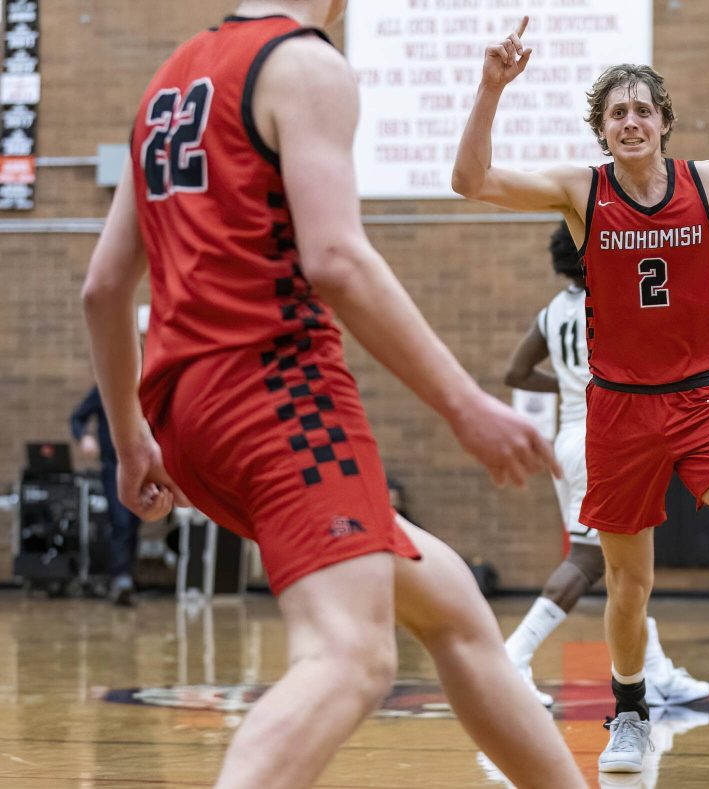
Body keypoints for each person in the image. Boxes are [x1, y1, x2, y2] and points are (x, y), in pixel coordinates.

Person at [81, 2, 586, 787]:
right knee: (351, 655)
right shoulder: (303, 64)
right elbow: (337, 261)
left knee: (449, 602)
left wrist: (129, 439)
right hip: (278, 397)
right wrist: (466, 404)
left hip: (186, 420)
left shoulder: (169, 84)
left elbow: (103, 288)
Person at [452, 16, 709, 774]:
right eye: (616, 113)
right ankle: (627, 712)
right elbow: (472, 182)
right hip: (620, 409)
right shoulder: (583, 190)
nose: (630, 121)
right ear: (603, 130)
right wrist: (490, 88)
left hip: (701, 399)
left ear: (664, 121)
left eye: (642, 109)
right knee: (630, 584)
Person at [503, 223, 709, 710]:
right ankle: (513, 654)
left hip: (568, 439)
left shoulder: (552, 312)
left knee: (629, 563)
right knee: (592, 560)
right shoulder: (617, 300)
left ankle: (654, 672)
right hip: (604, 441)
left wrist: (568, 387)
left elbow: (514, 373)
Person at [70, 385, 141, 605]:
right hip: (113, 467)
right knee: (120, 520)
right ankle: (120, 578)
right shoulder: (105, 386)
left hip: (141, 465)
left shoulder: (146, 385)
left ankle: (127, 576)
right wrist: (84, 438)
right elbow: (77, 418)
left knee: (133, 522)